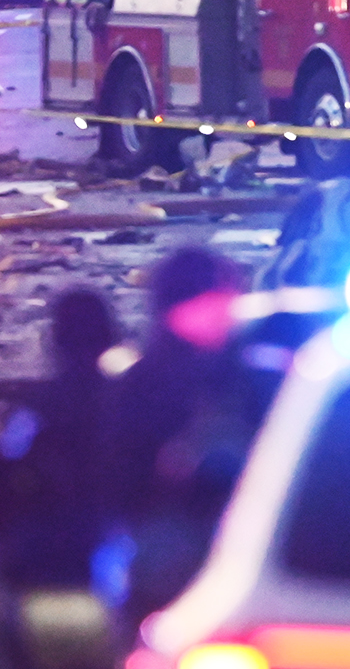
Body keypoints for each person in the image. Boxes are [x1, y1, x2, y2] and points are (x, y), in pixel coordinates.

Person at [102, 247, 251, 638]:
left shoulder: (244, 372)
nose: (229, 311)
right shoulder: (151, 384)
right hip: (174, 553)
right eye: (218, 299)